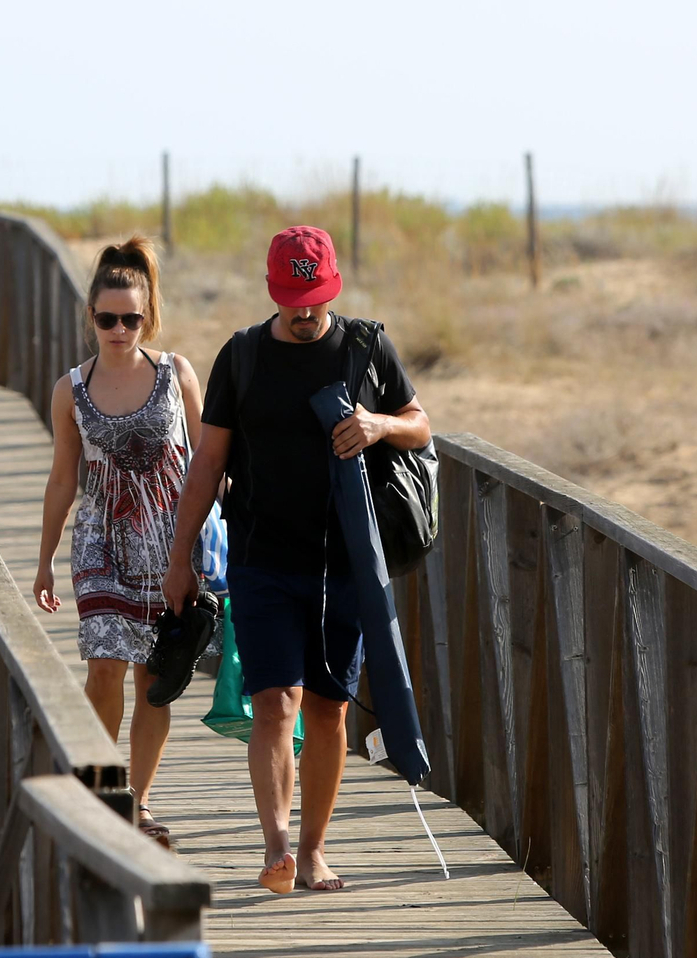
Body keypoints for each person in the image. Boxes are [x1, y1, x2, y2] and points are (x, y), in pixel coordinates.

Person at [161, 225, 431, 892]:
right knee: (275, 702)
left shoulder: (367, 347)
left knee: (329, 709)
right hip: (263, 560)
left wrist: (380, 425)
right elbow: (209, 463)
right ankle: (277, 848)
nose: (304, 312)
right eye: (292, 299)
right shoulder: (244, 356)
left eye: (313, 298)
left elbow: (421, 423)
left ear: (331, 285)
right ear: (272, 290)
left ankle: (313, 851)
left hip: (346, 565)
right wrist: (181, 557)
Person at [32, 235, 223, 846]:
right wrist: (44, 563)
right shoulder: (70, 390)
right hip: (101, 542)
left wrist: (205, 549)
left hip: (170, 545)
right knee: (104, 668)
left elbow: (207, 460)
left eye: (132, 318)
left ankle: (135, 805)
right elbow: (64, 478)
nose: (120, 329)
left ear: (148, 316)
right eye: (108, 318)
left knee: (153, 680)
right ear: (91, 317)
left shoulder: (177, 373)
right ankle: (99, 789)